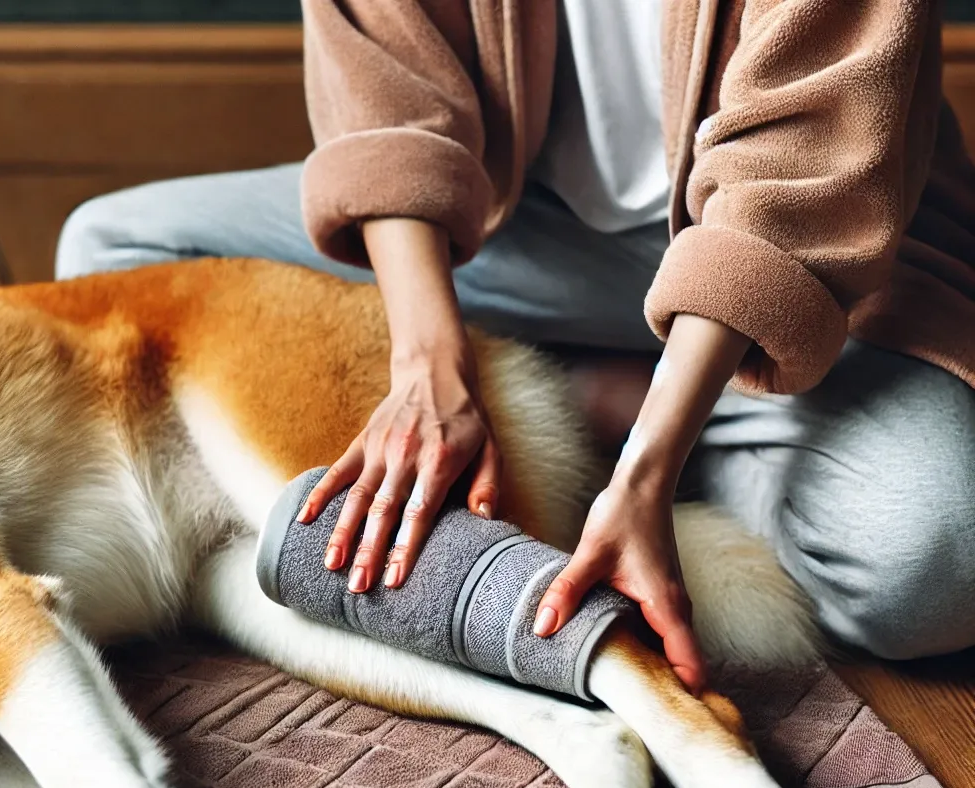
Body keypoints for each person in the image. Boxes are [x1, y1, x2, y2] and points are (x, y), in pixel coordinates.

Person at [56, 0, 975, 690]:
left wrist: (646, 475)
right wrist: (430, 370)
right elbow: (391, 109)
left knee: (937, 567)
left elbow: (800, 182)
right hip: (526, 238)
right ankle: (578, 396)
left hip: (820, 267)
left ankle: (634, 422)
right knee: (114, 254)